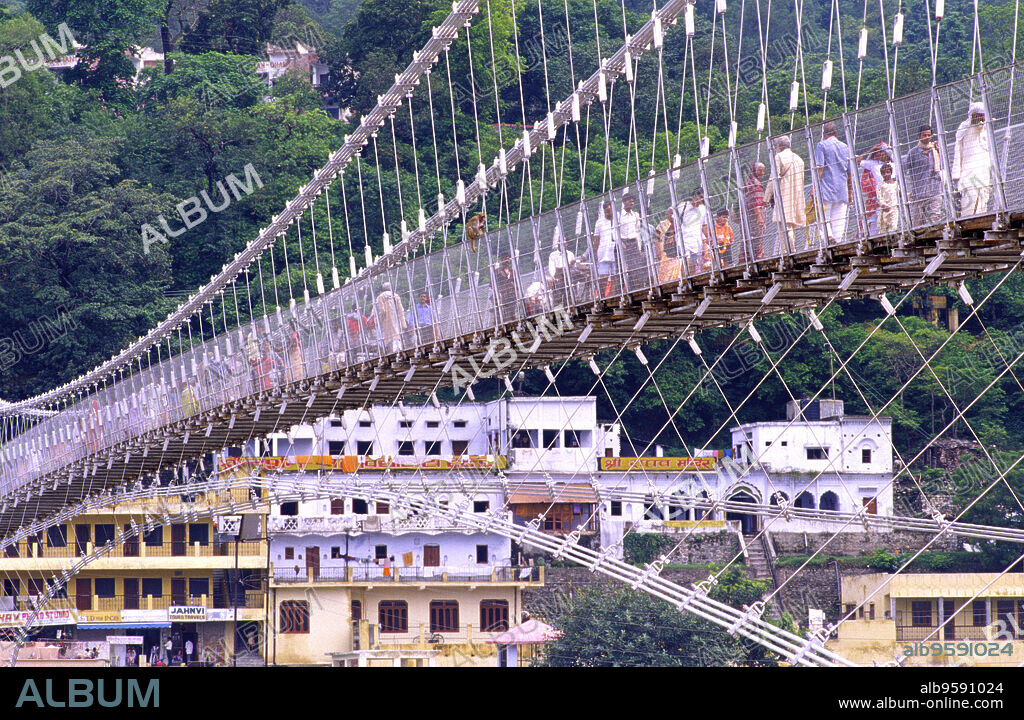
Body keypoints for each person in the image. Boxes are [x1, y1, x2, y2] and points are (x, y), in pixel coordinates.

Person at [763, 135, 807, 253]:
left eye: (776, 146)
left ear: (780, 146)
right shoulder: (799, 159)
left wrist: (766, 197)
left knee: (784, 223)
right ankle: (790, 248)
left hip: (784, 194)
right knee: (792, 224)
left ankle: (788, 250)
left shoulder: (779, 157)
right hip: (797, 194)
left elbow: (773, 177)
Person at [813, 121, 852, 244]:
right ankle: (838, 242)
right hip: (842, 188)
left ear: (824, 134)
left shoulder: (821, 146)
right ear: (836, 132)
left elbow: (820, 167)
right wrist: (850, 190)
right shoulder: (845, 147)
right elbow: (849, 172)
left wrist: (815, 186)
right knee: (839, 219)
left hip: (826, 187)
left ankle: (828, 238)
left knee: (824, 216)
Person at [952, 102, 992, 216]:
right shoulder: (964, 129)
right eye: (978, 115)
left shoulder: (986, 129)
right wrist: (956, 175)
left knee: (982, 203)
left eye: (982, 115)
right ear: (973, 115)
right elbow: (957, 153)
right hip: (969, 175)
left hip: (984, 175)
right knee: (969, 203)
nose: (981, 118)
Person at [903, 125, 944, 227]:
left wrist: (939, 152)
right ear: (919, 136)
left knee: (935, 218)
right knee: (918, 224)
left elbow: (943, 166)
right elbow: (903, 170)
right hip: (919, 192)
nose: (926, 137)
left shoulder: (934, 150)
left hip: (934, 189)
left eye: (929, 135)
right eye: (924, 135)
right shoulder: (913, 153)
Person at [856, 142, 895, 236]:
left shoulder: (894, 164)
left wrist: (886, 148)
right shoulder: (873, 164)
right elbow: (857, 160)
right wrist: (871, 150)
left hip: (892, 197)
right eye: (878, 152)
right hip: (879, 198)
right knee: (877, 222)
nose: (880, 154)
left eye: (883, 152)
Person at [618, 193, 645, 291]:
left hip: (633, 242)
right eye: (630, 201)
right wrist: (620, 242)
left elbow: (637, 231)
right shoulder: (619, 215)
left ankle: (637, 288)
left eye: (633, 201)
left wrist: (638, 246)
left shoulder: (635, 215)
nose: (632, 203)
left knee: (636, 267)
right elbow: (615, 230)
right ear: (624, 202)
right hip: (623, 243)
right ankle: (624, 289)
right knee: (624, 268)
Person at [677, 188, 707, 272]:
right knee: (686, 261)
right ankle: (685, 281)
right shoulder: (683, 206)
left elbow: (704, 225)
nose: (702, 200)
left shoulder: (703, 209)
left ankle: (693, 281)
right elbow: (673, 221)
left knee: (694, 264)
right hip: (684, 239)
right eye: (700, 197)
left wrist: (708, 239)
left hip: (696, 241)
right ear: (695, 196)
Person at [373, 283, 408, 353]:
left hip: (387, 320)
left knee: (389, 336)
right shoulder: (396, 295)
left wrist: (379, 319)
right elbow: (400, 309)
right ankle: (399, 348)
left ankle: (392, 351)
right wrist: (403, 321)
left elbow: (382, 311)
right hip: (396, 317)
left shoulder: (380, 297)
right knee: (397, 334)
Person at [547, 223, 576, 308]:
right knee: (558, 301)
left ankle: (571, 307)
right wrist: (557, 276)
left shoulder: (570, 254)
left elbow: (573, 268)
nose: (561, 244)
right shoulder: (553, 255)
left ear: (566, 244)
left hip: (569, 279)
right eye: (559, 242)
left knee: (570, 297)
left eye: (563, 242)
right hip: (558, 280)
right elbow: (551, 269)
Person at [593, 200, 618, 298]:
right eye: (606, 211)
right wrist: (596, 254)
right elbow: (596, 239)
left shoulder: (617, 218)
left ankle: (612, 296)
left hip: (615, 251)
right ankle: (601, 296)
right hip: (603, 252)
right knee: (603, 276)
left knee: (614, 276)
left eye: (609, 211)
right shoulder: (599, 222)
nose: (608, 213)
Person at [744, 162, 767, 259]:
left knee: (750, 238)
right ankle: (758, 257)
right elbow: (755, 202)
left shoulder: (749, 181)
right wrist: (759, 217)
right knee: (758, 237)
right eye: (759, 170)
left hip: (750, 215)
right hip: (755, 215)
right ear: (754, 170)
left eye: (763, 170)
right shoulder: (755, 183)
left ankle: (749, 257)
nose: (762, 173)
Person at [652, 209, 680, 284]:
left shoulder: (678, 224)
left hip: (677, 254)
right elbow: (656, 238)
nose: (672, 215)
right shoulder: (662, 225)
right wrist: (658, 251)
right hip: (665, 254)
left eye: (673, 213)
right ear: (667, 214)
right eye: (670, 213)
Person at [876, 162, 899, 234]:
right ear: (881, 174)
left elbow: (900, 193)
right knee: (883, 228)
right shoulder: (880, 185)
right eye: (884, 173)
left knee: (893, 226)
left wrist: (909, 195)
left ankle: (893, 242)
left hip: (894, 208)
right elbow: (879, 197)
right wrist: (883, 205)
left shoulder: (895, 184)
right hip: (885, 210)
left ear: (891, 173)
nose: (886, 174)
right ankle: (885, 243)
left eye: (888, 172)